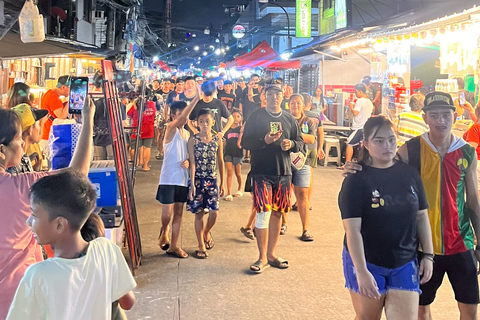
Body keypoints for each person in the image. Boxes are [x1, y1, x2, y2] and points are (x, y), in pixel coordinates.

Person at [344, 92, 480, 320]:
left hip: (461, 241)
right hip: (420, 244)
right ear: (425, 118)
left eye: (446, 115)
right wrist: (357, 167)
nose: (441, 121)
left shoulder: (466, 151)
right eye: (434, 115)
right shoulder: (410, 149)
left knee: (470, 308)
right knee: (421, 309)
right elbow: (383, 163)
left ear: (455, 116)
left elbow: (473, 199)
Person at [0, 99, 94, 319]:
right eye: (17, 139)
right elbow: (77, 175)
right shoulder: (22, 188)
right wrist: (88, 120)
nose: (22, 144)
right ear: (1, 149)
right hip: (20, 299)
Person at [6, 170, 136, 319]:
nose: (28, 222)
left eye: (34, 215)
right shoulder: (106, 250)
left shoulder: (38, 275)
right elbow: (128, 303)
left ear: (60, 225)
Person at [339, 116, 434, 320]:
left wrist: (428, 255)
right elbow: (352, 230)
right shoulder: (356, 179)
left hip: (404, 260)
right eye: (379, 141)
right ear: (365, 143)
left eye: (391, 139)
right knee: (367, 317)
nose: (387, 146)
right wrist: (362, 271)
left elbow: (421, 216)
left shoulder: (409, 174)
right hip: (367, 260)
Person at [241, 81, 304, 273]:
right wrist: (264, 140)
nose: (274, 97)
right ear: (264, 96)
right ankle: (261, 257)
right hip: (261, 172)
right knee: (262, 213)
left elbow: (300, 142)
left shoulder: (289, 119)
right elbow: (244, 142)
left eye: (277, 94)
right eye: (270, 94)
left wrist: (291, 144)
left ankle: (271, 254)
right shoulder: (256, 116)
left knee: (278, 212)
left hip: (284, 173)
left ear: (283, 96)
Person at [157, 92, 200, 259]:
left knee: (179, 212)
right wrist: (196, 98)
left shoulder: (187, 134)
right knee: (167, 214)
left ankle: (174, 245)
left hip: (182, 178)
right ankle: (164, 229)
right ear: (174, 115)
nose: (184, 117)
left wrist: (189, 161)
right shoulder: (170, 129)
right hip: (168, 177)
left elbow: (190, 154)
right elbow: (183, 119)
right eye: (180, 114)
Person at [187, 109, 225, 259]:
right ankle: (200, 245)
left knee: (214, 213)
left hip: (212, 180)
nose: (204, 124)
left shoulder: (217, 140)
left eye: (207, 121)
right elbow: (192, 163)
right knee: (199, 213)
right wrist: (192, 185)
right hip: (197, 180)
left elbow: (220, 161)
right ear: (197, 123)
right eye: (201, 122)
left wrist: (222, 182)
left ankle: (206, 232)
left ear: (213, 123)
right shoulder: (193, 140)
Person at [287, 94, 316, 241]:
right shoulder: (283, 118)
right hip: (284, 161)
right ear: (288, 105)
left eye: (298, 103)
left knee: (303, 195)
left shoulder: (308, 121)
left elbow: (311, 139)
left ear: (303, 106)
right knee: (284, 194)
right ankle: (282, 224)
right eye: (293, 103)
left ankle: (305, 229)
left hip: (302, 161)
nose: (295, 105)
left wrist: (294, 134)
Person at [6, 104, 48, 175]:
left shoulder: (21, 158)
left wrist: (33, 172)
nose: (40, 128)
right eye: (38, 124)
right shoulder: (14, 164)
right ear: (30, 129)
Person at [341, 83, 373, 168]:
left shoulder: (360, 101)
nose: (355, 94)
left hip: (357, 127)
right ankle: (360, 163)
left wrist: (351, 107)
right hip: (365, 127)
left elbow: (355, 113)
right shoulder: (369, 102)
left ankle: (347, 163)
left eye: (356, 92)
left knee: (349, 143)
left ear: (359, 91)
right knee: (361, 146)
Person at [40, 75, 70, 153]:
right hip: (49, 136)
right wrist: (71, 99)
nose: (71, 91)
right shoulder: (53, 97)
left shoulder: (49, 93)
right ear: (63, 87)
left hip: (47, 135)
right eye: (70, 88)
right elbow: (62, 115)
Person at [128, 97, 156, 171]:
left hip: (137, 128)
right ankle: (145, 166)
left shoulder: (135, 104)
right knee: (147, 147)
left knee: (134, 147)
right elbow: (154, 114)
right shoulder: (152, 104)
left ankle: (135, 164)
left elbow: (129, 114)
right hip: (149, 129)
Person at [224, 108, 243, 201]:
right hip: (228, 153)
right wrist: (223, 153)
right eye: (234, 116)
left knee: (238, 173)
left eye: (238, 116)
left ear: (241, 119)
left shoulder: (241, 130)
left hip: (238, 154)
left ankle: (239, 189)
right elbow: (224, 142)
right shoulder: (227, 129)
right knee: (229, 172)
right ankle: (228, 193)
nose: (236, 118)